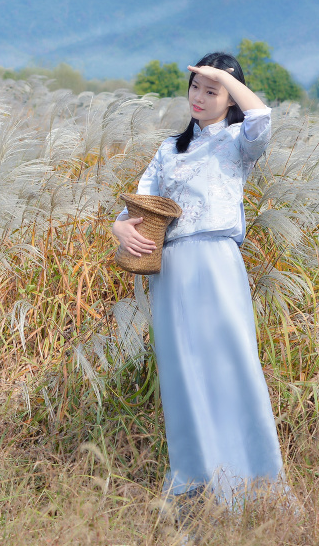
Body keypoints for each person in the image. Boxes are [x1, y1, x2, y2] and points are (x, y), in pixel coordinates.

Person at [112, 51, 290, 514]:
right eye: (196, 87)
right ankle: (195, 487)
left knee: (233, 366)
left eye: (212, 90)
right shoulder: (170, 149)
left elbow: (262, 117)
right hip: (170, 270)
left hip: (217, 262)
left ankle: (255, 483)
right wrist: (119, 228)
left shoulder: (238, 141)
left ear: (230, 99)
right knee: (182, 374)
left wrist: (221, 77)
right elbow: (138, 203)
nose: (200, 96)